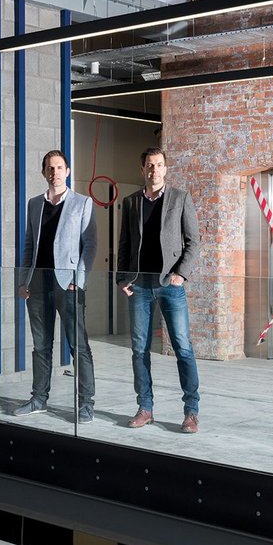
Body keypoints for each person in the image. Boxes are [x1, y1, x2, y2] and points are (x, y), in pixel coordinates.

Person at [117, 147, 201, 433]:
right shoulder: (131, 203)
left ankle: (191, 412)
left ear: (166, 168)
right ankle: (145, 408)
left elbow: (194, 242)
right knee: (139, 349)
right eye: (150, 165)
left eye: (159, 165)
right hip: (139, 285)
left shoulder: (180, 198)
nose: (154, 170)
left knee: (183, 347)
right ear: (142, 169)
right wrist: (121, 278)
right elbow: (124, 244)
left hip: (170, 285)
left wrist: (181, 274)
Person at [15, 150, 97, 424]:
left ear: (68, 171)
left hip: (70, 284)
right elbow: (29, 245)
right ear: (44, 173)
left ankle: (86, 404)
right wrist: (23, 280)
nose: (55, 172)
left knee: (79, 347)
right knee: (40, 346)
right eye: (50, 168)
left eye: (60, 167)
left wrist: (80, 278)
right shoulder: (34, 204)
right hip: (37, 283)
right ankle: (39, 399)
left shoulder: (82, 203)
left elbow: (90, 245)